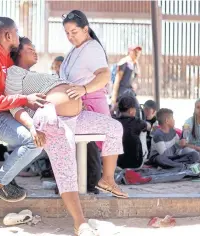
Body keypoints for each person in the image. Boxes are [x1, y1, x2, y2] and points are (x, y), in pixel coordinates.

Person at [6, 36, 124, 235]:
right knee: (66, 168)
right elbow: (14, 105)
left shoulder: (35, 74)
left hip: (77, 116)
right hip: (53, 120)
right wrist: (32, 127)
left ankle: (107, 179)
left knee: (114, 128)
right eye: (29, 48)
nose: (35, 51)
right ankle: (80, 222)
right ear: (17, 53)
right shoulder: (13, 73)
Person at [0, 17, 47, 202]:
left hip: (1, 115)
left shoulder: (2, 58)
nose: (19, 37)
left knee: (43, 136)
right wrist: (24, 99)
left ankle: (5, 179)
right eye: (16, 33)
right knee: (33, 141)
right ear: (7, 35)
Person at [60, 10, 127, 197]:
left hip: (90, 104)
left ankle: (106, 180)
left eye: (74, 32)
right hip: (73, 107)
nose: (70, 37)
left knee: (98, 143)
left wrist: (84, 90)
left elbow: (104, 75)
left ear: (85, 29)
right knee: (86, 148)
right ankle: (81, 186)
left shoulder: (92, 48)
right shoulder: (75, 49)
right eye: (67, 33)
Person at [115, 96, 150, 169]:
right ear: (131, 111)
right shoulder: (138, 122)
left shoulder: (115, 122)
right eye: (135, 109)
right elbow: (149, 126)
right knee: (143, 131)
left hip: (118, 163)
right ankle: (144, 156)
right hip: (136, 163)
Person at [111, 45, 142, 113]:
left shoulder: (135, 63)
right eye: (135, 51)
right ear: (130, 52)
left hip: (129, 93)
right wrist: (114, 97)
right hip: (122, 94)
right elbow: (117, 80)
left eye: (138, 51)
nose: (137, 53)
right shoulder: (124, 62)